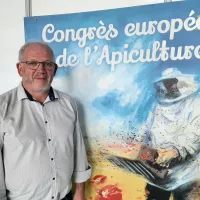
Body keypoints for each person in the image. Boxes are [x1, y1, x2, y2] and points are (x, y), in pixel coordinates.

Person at [0, 42, 91, 200]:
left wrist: (80, 191)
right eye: (33, 63)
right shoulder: (3, 107)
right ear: (20, 68)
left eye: (48, 64)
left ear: (54, 70)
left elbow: (78, 149)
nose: (41, 70)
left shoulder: (68, 104)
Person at [135, 68, 200, 200]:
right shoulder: (158, 105)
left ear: (179, 82)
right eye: (166, 83)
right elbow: (145, 129)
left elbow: (194, 136)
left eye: (172, 82)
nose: (169, 85)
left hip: (185, 173)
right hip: (157, 172)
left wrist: (174, 152)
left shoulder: (195, 103)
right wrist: (140, 146)